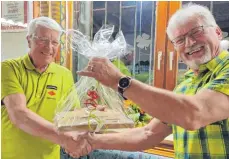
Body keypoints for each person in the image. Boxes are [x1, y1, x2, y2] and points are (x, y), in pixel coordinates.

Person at [72, 3, 229, 159]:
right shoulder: (186, 84)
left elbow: (194, 114)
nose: (189, 43)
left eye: (196, 32)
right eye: (180, 40)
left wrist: (119, 81)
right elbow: (148, 133)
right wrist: (92, 141)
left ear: (217, 32)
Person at [1, 17, 87, 159]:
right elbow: (19, 115)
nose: (49, 47)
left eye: (54, 42)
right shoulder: (8, 68)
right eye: (43, 40)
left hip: (49, 156)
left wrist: (93, 117)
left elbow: (71, 114)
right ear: (29, 40)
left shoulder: (64, 74)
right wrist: (65, 140)